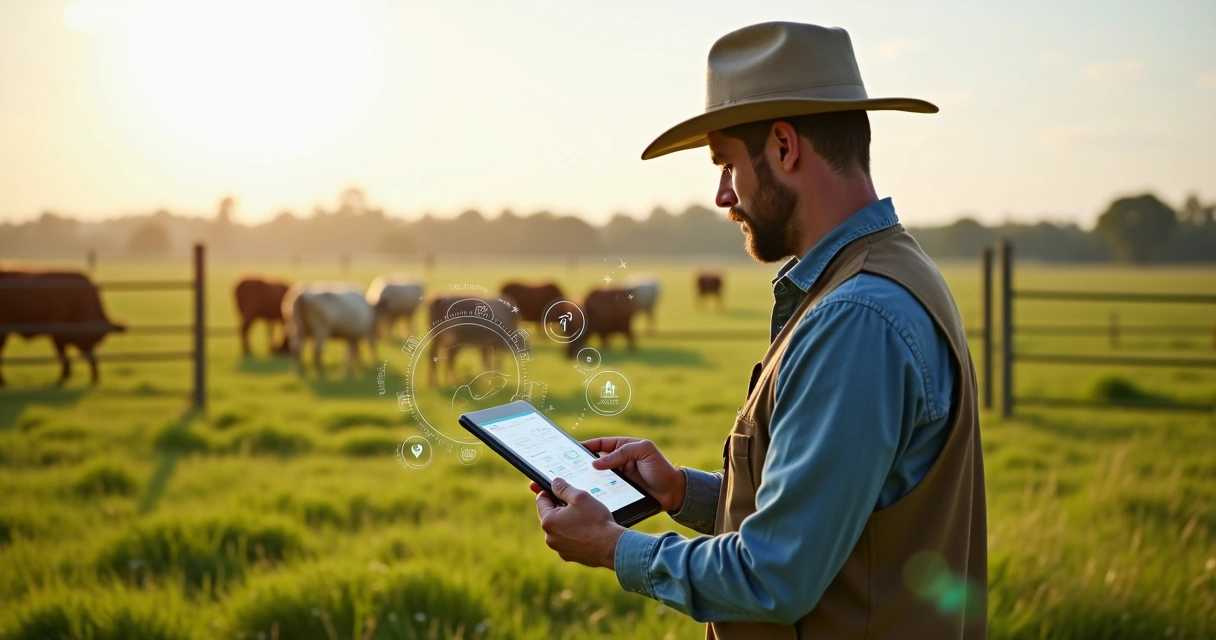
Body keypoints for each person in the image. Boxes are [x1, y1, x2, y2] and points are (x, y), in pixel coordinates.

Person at [529, 21, 987, 639]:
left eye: (726, 165)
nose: (723, 195)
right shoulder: (889, 275)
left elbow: (775, 574)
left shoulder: (855, 317)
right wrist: (680, 492)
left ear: (784, 146)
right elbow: (824, 513)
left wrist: (614, 546)